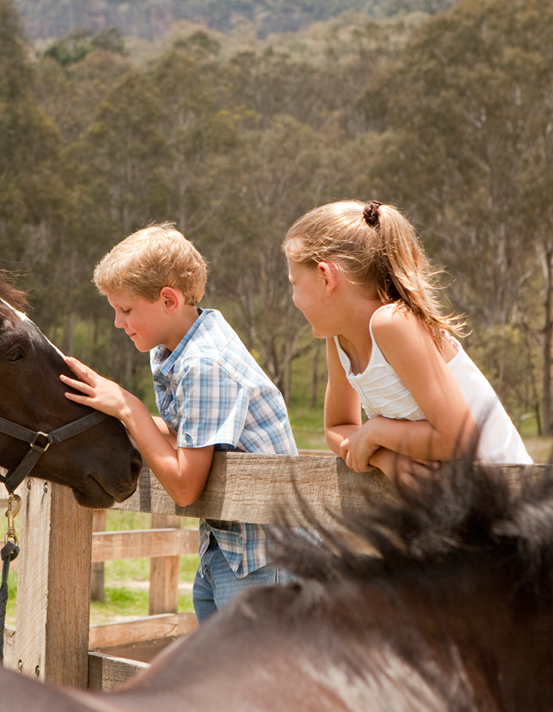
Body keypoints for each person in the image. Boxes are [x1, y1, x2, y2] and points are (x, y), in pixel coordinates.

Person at [60, 223, 297, 623]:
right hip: (227, 548)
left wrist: (129, 409)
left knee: (256, 666)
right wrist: (110, 412)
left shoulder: (203, 362)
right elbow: (191, 434)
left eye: (126, 310)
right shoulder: (183, 345)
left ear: (168, 299)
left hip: (263, 560)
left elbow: (185, 487)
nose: (118, 322)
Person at [283, 199, 532, 485]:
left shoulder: (392, 322)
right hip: (451, 501)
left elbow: (459, 439)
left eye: (294, 283)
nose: (294, 299)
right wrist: (384, 457)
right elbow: (337, 427)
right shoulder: (340, 337)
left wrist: (375, 432)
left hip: (505, 493)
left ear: (326, 277)